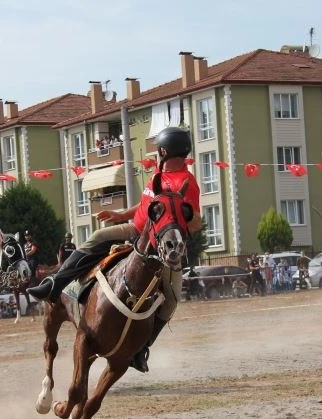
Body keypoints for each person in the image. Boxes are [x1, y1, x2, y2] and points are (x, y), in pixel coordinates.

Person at [28, 126, 201, 373]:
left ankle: (140, 349)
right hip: (134, 230)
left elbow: (196, 222)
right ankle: (55, 285)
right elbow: (143, 206)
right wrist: (121, 214)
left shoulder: (187, 182)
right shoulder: (156, 177)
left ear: (163, 151)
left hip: (161, 248)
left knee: (172, 298)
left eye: (157, 151)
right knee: (97, 237)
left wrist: (184, 214)